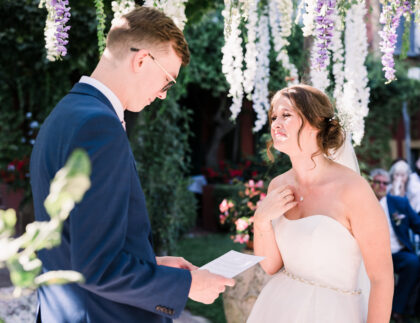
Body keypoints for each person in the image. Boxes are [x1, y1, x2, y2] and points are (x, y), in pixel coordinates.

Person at [30, 7, 234, 323]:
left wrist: (150, 263)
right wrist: (187, 285)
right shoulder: (99, 126)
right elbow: (98, 268)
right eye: (168, 81)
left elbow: (81, 242)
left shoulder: (66, 114)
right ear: (141, 61)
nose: (164, 95)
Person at [247, 85, 393, 323]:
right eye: (274, 117)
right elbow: (271, 266)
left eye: (286, 115)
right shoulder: (278, 186)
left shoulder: (353, 190)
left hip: (334, 312)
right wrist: (261, 220)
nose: (275, 123)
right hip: (278, 308)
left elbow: (382, 277)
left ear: (315, 122)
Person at [370, 168, 420, 323]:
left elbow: (417, 224)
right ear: (371, 183)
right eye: (377, 182)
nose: (381, 186)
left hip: (397, 253)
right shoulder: (363, 203)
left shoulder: (400, 203)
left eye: (385, 183)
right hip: (371, 255)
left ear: (389, 185)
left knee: (413, 262)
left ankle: (397, 309)